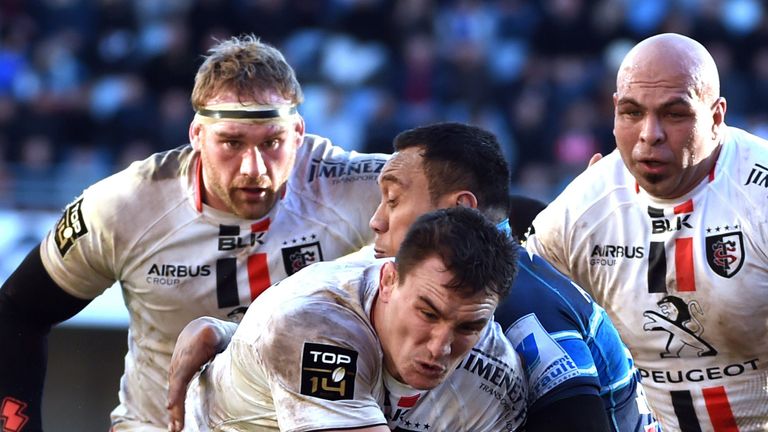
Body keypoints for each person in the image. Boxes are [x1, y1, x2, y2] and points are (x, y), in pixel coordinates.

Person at [0, 34, 388, 431]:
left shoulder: (359, 186)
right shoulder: (126, 204)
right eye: (231, 143)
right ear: (196, 136)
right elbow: (17, 308)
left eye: (272, 142)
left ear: (299, 133)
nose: (253, 167)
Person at [168, 122, 654, 431]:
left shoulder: (521, 318)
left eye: (395, 200)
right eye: (428, 312)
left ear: (457, 211)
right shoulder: (399, 271)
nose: (377, 220)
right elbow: (310, 318)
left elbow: (581, 418)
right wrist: (234, 336)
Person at [525, 32, 768, 431]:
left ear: (716, 117)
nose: (649, 134)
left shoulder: (758, 196)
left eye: (674, 114)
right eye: (633, 113)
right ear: (615, 110)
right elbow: (516, 308)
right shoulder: (582, 208)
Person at [179, 206, 525, 431]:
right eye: (427, 313)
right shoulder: (312, 321)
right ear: (389, 281)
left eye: (468, 327)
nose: (440, 347)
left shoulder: (496, 378)